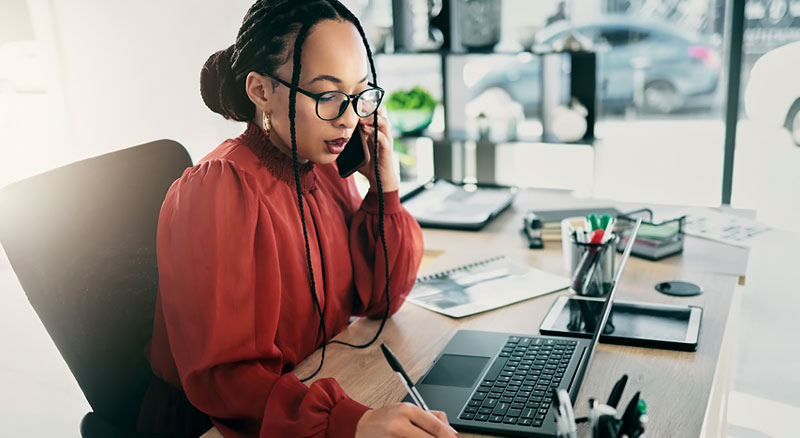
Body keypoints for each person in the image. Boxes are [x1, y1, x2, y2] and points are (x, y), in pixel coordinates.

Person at [136, 1, 457, 437]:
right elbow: (224, 382)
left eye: (358, 95)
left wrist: (384, 191)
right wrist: (350, 422)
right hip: (221, 426)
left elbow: (379, 300)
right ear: (261, 92)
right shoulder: (217, 190)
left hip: (310, 392)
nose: (348, 119)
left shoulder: (321, 165)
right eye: (327, 96)